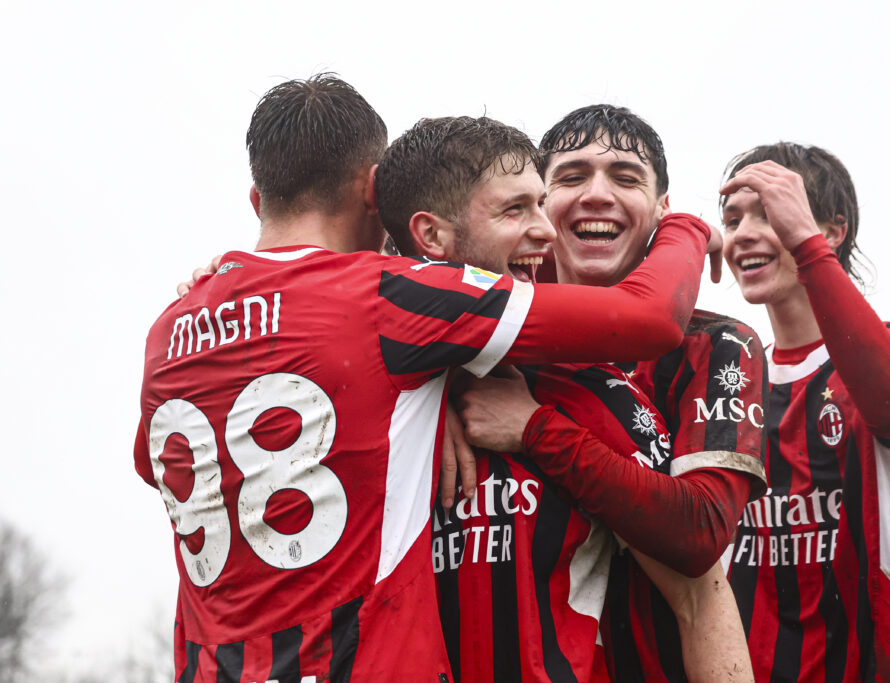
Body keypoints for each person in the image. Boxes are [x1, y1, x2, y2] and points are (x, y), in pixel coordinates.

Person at [135, 75, 717, 682]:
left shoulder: (167, 329)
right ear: (373, 190)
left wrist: (426, 391)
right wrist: (686, 228)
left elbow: (157, 467)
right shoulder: (385, 300)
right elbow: (649, 319)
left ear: (259, 199)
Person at [375, 114, 721, 682]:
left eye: (539, 205)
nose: (545, 230)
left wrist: (537, 428)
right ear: (430, 236)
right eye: (516, 210)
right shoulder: (362, 380)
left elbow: (700, 580)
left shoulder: (589, 385)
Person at [456, 104, 769, 682]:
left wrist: (534, 429)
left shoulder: (719, 345)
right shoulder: (473, 334)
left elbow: (697, 535)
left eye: (626, 178)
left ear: (661, 211)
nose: (597, 194)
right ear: (537, 206)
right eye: (571, 177)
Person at [718, 143, 890, 681]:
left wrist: (804, 247)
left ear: (831, 229)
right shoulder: (724, 376)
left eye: (770, 213)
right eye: (733, 220)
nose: (745, 233)